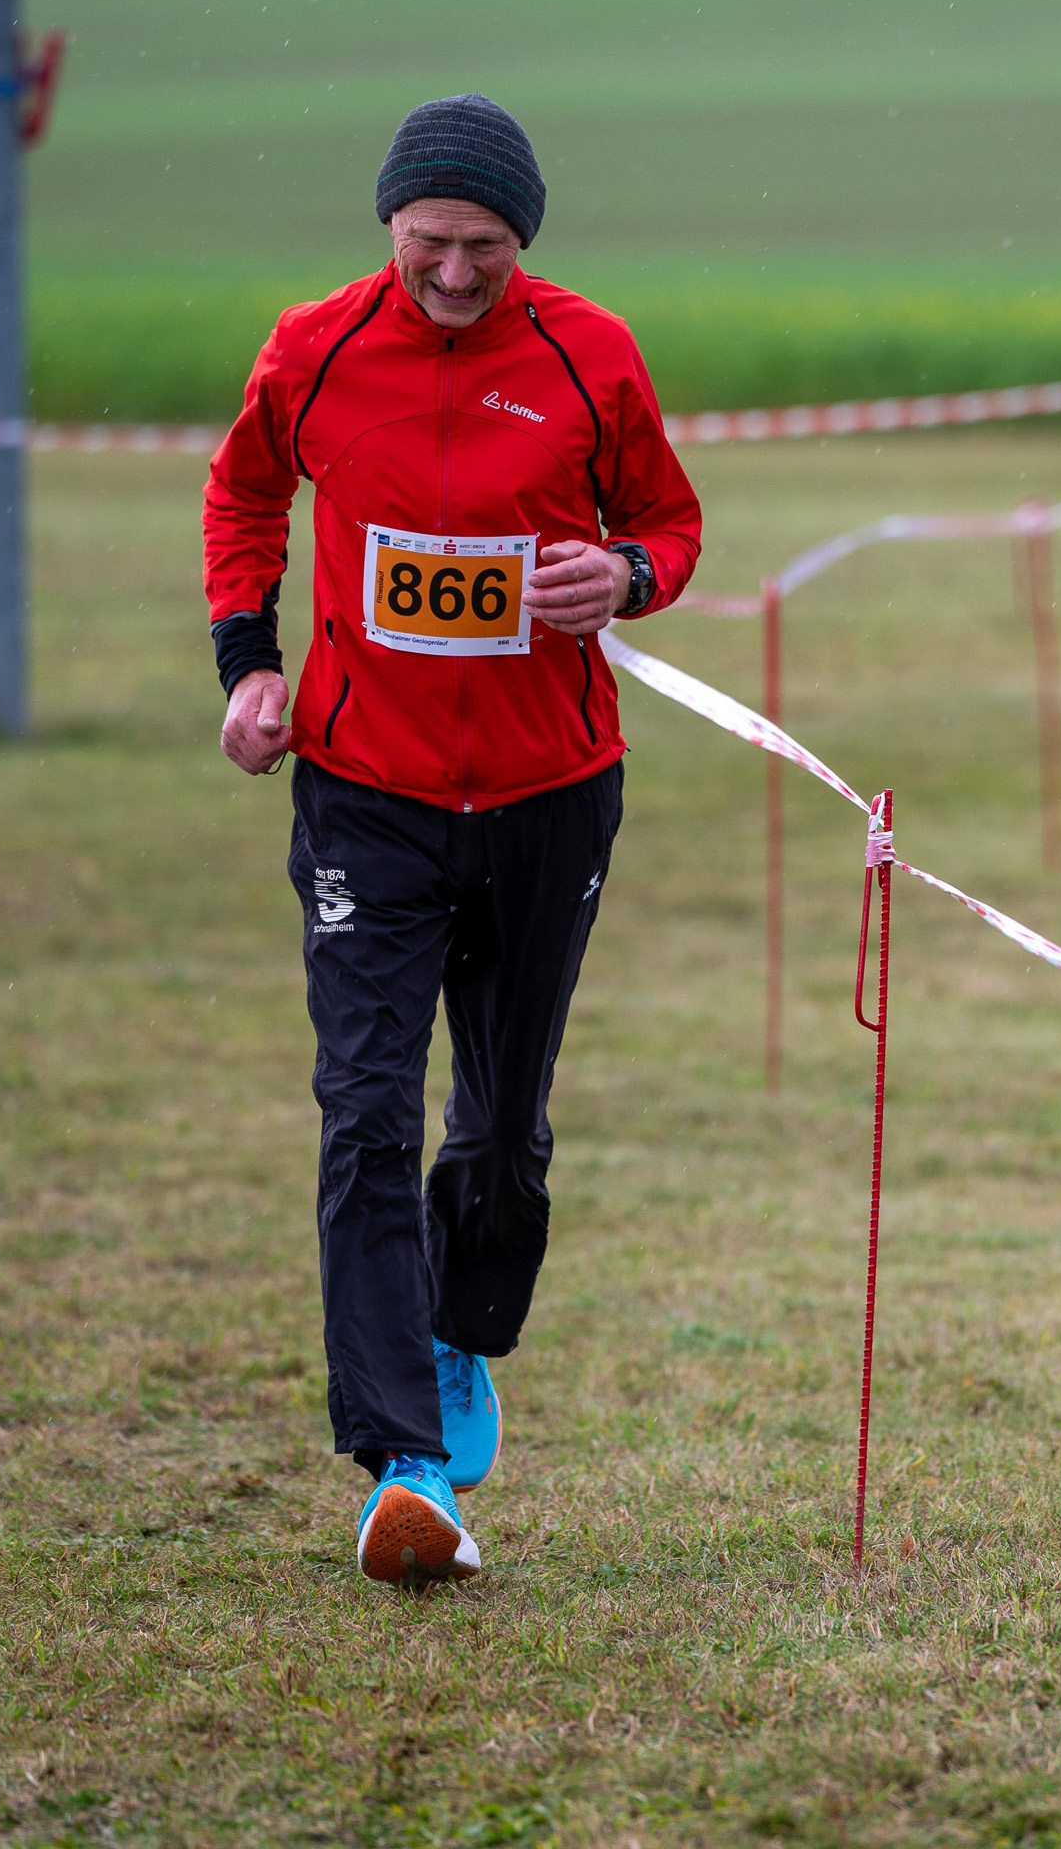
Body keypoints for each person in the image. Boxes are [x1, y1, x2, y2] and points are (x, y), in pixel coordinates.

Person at [202, 94, 702, 1583]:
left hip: (550, 793)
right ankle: (402, 1467)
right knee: (366, 1111)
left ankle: (461, 1328)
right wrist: (251, 665)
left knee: (497, 1123)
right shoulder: (315, 348)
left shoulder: (589, 353)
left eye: (486, 247)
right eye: (430, 242)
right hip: (367, 793)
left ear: (522, 241)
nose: (458, 273)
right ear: (389, 227)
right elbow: (244, 495)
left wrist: (622, 577)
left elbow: (670, 525)